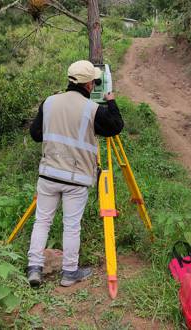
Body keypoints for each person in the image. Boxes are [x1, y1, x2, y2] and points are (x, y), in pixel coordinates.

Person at [27, 60, 124, 287]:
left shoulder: (49, 102)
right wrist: (111, 102)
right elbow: (115, 126)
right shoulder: (92, 109)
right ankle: (69, 273)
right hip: (76, 179)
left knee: (42, 221)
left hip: (48, 175)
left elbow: (35, 134)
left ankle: (34, 268)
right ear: (90, 84)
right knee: (71, 225)